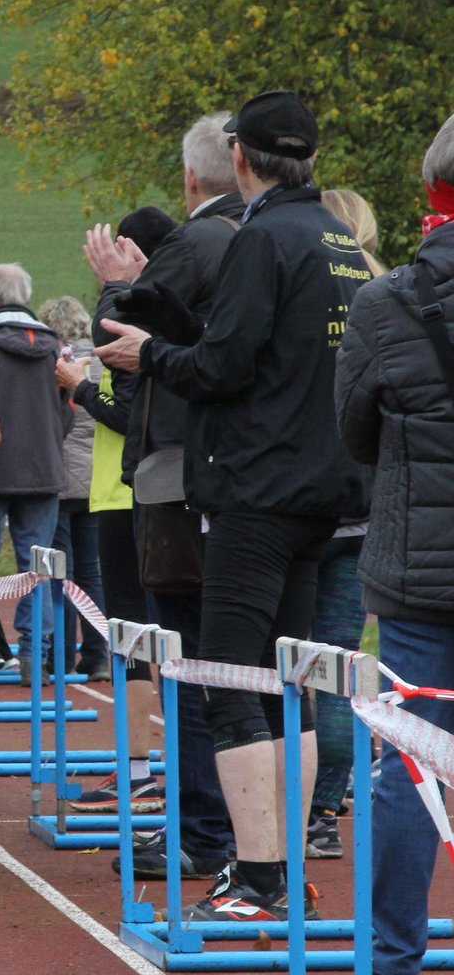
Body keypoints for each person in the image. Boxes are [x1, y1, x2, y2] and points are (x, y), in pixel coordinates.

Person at [100, 90, 368, 923]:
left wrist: (151, 354)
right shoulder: (339, 238)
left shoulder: (262, 237)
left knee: (228, 677)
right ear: (311, 158)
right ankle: (277, 867)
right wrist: (173, 319)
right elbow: (273, 351)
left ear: (241, 159)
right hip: (324, 487)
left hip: (260, 488)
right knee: (287, 678)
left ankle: (257, 875)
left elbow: (225, 368)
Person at [84, 115, 245, 878]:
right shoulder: (274, 240)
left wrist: (119, 284)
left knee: (186, 661)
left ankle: (203, 831)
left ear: (190, 178)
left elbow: (119, 334)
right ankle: (250, 833)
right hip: (249, 480)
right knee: (250, 663)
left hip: (184, 480)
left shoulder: (201, 242)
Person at [334, 124, 454, 975]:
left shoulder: (384, 303)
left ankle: (388, 965)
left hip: (418, 567)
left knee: (410, 764)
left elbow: (355, 433)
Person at [56, 207, 177, 820]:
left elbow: (131, 416)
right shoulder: (164, 318)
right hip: (128, 492)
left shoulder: (134, 321)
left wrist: (78, 386)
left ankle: (142, 772)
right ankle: (148, 768)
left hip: (130, 495)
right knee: (144, 638)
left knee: (137, 638)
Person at [306, 189, 382, 857]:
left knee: (283, 665)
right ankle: (325, 809)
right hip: (368, 504)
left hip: (300, 505)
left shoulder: (307, 293)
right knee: (337, 662)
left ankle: (296, 803)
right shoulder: (393, 296)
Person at [0, 264, 71, 682]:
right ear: (28, 296)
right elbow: (67, 413)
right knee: (37, 568)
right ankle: (34, 660)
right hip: (42, 471)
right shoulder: (56, 347)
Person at [39, 295, 107, 679]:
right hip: (95, 478)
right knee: (91, 572)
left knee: (60, 574)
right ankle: (98, 655)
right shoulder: (102, 360)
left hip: (60, 479)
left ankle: (61, 656)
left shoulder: (54, 363)